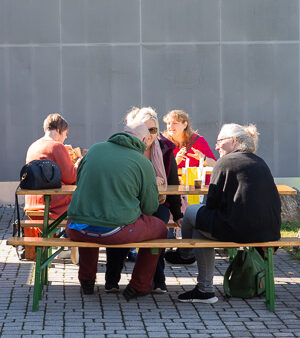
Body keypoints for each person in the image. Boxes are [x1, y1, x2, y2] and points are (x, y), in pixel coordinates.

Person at [165, 123, 281, 303]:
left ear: (234, 141)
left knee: (190, 213)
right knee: (199, 229)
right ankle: (203, 288)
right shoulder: (260, 162)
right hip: (269, 231)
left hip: (237, 229)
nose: (216, 146)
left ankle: (186, 257)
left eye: (220, 141)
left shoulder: (225, 162)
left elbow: (211, 204)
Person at [66, 122, 169, 300]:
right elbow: (150, 208)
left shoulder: (94, 150)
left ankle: (87, 280)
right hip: (115, 232)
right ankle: (140, 285)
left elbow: (78, 180)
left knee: (90, 217)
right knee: (160, 229)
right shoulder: (142, 162)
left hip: (76, 229)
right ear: (145, 140)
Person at [105, 107, 183, 294]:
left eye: (154, 130)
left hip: (158, 203)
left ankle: (158, 281)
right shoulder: (123, 149)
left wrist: (179, 215)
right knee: (120, 230)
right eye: (145, 130)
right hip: (127, 202)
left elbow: (173, 184)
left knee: (157, 229)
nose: (149, 134)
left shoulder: (165, 150)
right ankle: (112, 280)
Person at [24, 113, 79, 219]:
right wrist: (78, 162)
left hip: (32, 205)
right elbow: (71, 177)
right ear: (59, 130)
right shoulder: (57, 146)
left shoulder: (33, 146)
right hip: (51, 205)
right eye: (65, 133)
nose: (66, 136)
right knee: (86, 198)